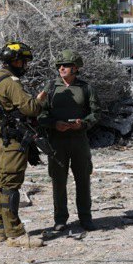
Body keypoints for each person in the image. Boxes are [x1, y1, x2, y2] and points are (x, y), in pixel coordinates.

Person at [0, 41, 48, 248]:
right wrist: (40, 100)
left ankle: (0, 228)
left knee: (2, 182)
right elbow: (29, 108)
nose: (25, 66)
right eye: (23, 61)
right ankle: (15, 233)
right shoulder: (11, 83)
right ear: (13, 61)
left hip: (2, 139)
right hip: (12, 141)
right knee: (11, 186)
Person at [40, 50, 99, 232]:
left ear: (75, 67)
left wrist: (83, 124)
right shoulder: (50, 88)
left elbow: (96, 113)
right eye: (59, 66)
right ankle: (60, 219)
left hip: (79, 140)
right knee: (58, 181)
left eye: (65, 65)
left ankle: (85, 218)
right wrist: (54, 124)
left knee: (83, 179)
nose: (61, 69)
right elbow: (40, 114)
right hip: (56, 141)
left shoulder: (86, 88)